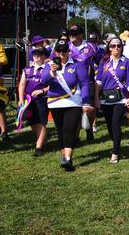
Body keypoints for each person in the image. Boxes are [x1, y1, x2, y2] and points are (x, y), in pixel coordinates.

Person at [41, 40, 93, 170]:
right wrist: (52, 73)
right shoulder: (49, 65)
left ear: (69, 51)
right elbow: (44, 81)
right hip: (55, 102)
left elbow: (85, 83)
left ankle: (68, 159)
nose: (61, 53)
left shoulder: (77, 65)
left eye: (64, 50)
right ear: (55, 52)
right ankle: (64, 155)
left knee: (69, 129)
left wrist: (86, 100)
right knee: (61, 130)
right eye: (58, 51)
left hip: (73, 101)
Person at [95, 38, 129, 164]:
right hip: (106, 99)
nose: (116, 48)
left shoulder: (126, 62)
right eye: (113, 46)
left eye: (119, 45)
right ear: (109, 48)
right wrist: (96, 98)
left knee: (116, 123)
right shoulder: (104, 61)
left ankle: (115, 152)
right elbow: (99, 81)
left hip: (120, 98)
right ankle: (116, 146)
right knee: (110, 125)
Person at [67, 25, 98, 141]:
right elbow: (53, 59)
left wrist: (98, 75)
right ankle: (76, 135)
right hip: (72, 83)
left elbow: (102, 60)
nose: (71, 36)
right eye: (70, 33)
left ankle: (89, 129)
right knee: (75, 109)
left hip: (88, 82)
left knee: (89, 108)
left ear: (80, 34)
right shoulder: (66, 47)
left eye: (74, 33)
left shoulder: (90, 46)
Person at [17, 47, 50, 157]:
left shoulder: (48, 69)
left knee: (41, 122)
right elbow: (22, 84)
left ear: (45, 56)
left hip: (42, 99)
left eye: (39, 54)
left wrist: (42, 91)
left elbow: (53, 85)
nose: (36, 56)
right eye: (35, 54)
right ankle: (41, 139)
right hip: (28, 100)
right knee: (32, 122)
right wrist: (21, 98)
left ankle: (39, 147)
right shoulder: (27, 69)